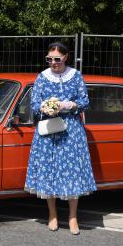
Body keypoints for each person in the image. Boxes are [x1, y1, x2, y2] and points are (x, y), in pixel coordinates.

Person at [24, 41, 96, 235]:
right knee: (49, 170)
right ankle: (52, 215)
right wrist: (44, 107)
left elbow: (85, 101)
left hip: (71, 131)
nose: (53, 62)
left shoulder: (76, 76)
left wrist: (69, 105)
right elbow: (34, 103)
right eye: (49, 59)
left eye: (57, 59)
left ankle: (73, 218)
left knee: (72, 172)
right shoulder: (42, 77)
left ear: (65, 57)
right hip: (48, 130)